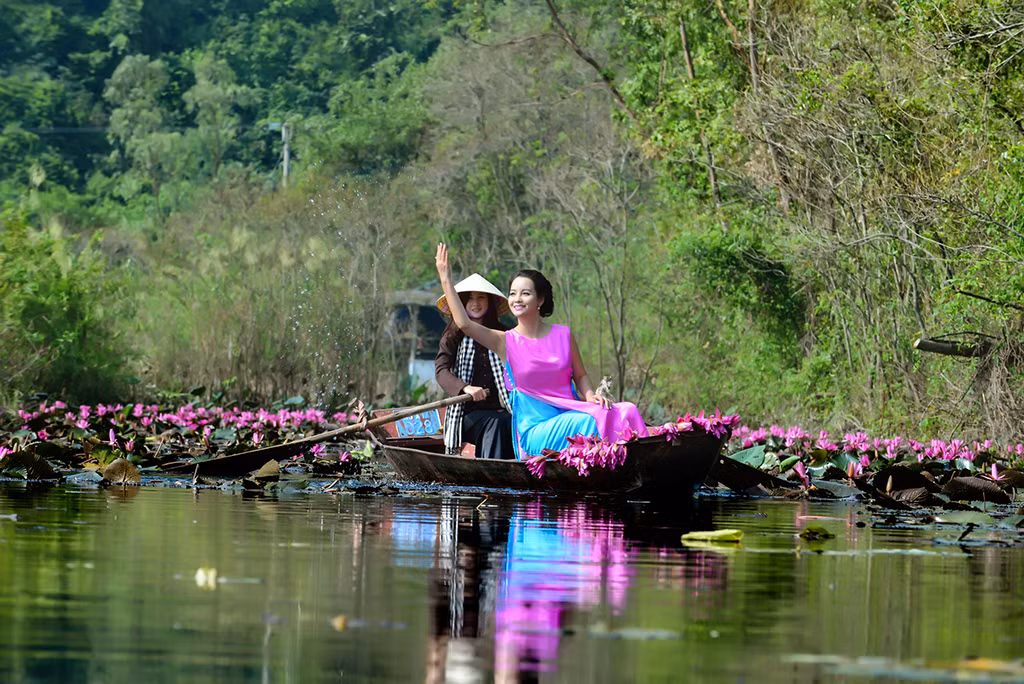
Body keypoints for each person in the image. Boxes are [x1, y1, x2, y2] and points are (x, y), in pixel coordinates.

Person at [435, 243, 648, 459]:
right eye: (513, 294)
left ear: (540, 300)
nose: (517, 299)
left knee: (627, 409)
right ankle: (616, 460)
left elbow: (580, 375)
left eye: (525, 293)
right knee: (590, 420)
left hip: (570, 412)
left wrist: (591, 395)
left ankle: (637, 461)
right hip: (535, 429)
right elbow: (464, 324)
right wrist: (445, 278)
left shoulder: (563, 335)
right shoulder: (505, 341)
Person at [435, 272, 516, 460]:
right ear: (461, 303)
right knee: (495, 423)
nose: (475, 303)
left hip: (504, 410)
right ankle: (490, 477)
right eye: (469, 299)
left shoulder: (502, 334)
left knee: (508, 421)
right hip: (467, 415)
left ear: (489, 303)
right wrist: (465, 388)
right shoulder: (452, 336)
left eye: (481, 298)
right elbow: (441, 371)